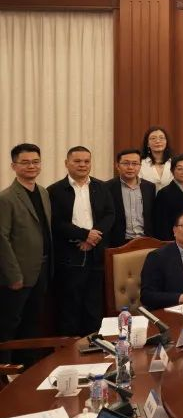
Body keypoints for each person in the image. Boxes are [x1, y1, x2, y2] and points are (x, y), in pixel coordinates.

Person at [48, 146, 115, 336]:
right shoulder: (54, 190)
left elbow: (110, 214)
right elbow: (56, 222)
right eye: (77, 161)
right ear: (66, 163)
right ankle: (69, 349)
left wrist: (92, 238)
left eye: (86, 161)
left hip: (96, 253)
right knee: (70, 307)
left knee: (94, 306)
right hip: (69, 256)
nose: (82, 165)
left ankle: (94, 346)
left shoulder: (101, 187)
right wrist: (84, 235)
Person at [0, 144, 52, 363]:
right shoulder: (6, 198)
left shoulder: (43, 192)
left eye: (35, 161)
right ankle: (5, 371)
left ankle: (29, 369)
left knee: (33, 323)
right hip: (18, 275)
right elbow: (2, 238)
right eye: (25, 162)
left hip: (42, 269)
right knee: (9, 325)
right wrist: (14, 276)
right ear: (14, 166)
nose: (31, 166)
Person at [105, 148, 155, 247]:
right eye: (126, 163)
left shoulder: (149, 187)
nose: (130, 167)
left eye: (135, 163)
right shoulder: (107, 187)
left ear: (140, 166)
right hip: (118, 243)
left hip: (146, 240)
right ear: (117, 166)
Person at [151, 154, 183, 240]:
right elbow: (161, 223)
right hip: (175, 239)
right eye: (179, 169)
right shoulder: (164, 193)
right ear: (172, 171)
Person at [138, 126, 173, 192]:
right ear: (147, 144)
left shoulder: (174, 163)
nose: (158, 141)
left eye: (161, 138)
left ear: (166, 142)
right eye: (153, 138)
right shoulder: (140, 164)